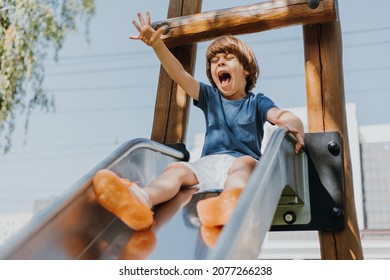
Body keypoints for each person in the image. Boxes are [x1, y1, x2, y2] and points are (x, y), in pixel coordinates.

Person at [92, 11, 305, 232]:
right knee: (177, 170)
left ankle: (229, 204)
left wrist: (294, 124)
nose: (220, 62)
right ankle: (142, 199)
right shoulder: (210, 97)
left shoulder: (257, 102)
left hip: (241, 163)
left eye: (228, 58)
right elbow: (180, 75)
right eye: (214, 61)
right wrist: (158, 46)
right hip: (208, 166)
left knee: (245, 165)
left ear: (246, 69)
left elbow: (281, 116)